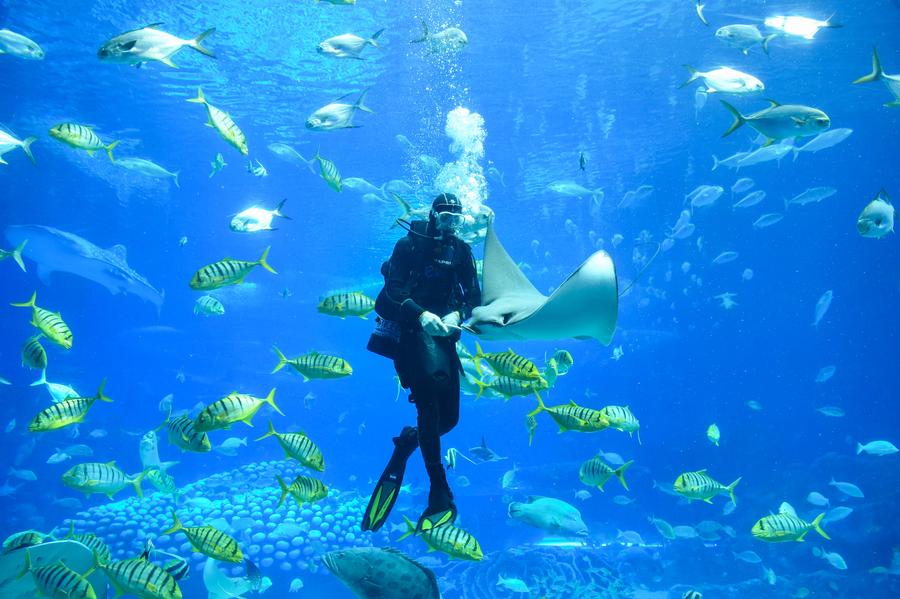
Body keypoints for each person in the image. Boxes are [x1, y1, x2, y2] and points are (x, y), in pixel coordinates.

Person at [363, 193, 481, 533]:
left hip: (443, 335)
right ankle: (439, 491)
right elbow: (393, 290)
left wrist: (458, 314)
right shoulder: (409, 245)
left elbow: (473, 295)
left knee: (449, 420)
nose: (450, 226)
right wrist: (420, 314)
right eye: (445, 218)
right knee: (429, 406)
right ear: (432, 216)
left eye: (456, 220)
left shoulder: (461, 251)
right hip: (411, 333)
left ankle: (408, 443)